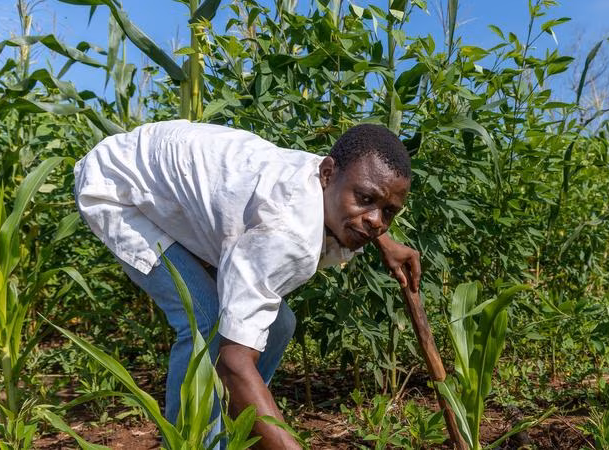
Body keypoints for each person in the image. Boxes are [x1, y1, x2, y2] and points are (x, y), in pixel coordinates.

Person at [73, 120, 420, 449]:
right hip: (120, 189)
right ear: (327, 174)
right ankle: (193, 442)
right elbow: (232, 359)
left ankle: (234, 427)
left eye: (388, 212)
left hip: (166, 181)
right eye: (366, 200)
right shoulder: (288, 233)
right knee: (205, 322)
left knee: (280, 324)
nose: (376, 221)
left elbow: (363, 192)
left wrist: (384, 242)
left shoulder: (331, 179)